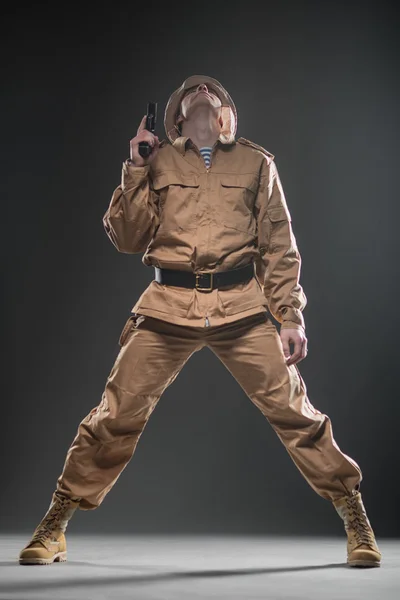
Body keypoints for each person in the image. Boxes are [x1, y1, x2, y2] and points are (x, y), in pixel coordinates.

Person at [19, 75, 381, 568]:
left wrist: (289, 315)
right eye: (191, 89)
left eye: (211, 89)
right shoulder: (157, 160)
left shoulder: (258, 162)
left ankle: (354, 515)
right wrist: (135, 166)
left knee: (295, 412)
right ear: (176, 117)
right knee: (116, 412)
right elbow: (127, 238)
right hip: (168, 304)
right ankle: (56, 522)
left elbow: (278, 245)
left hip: (241, 307)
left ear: (225, 113)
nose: (201, 88)